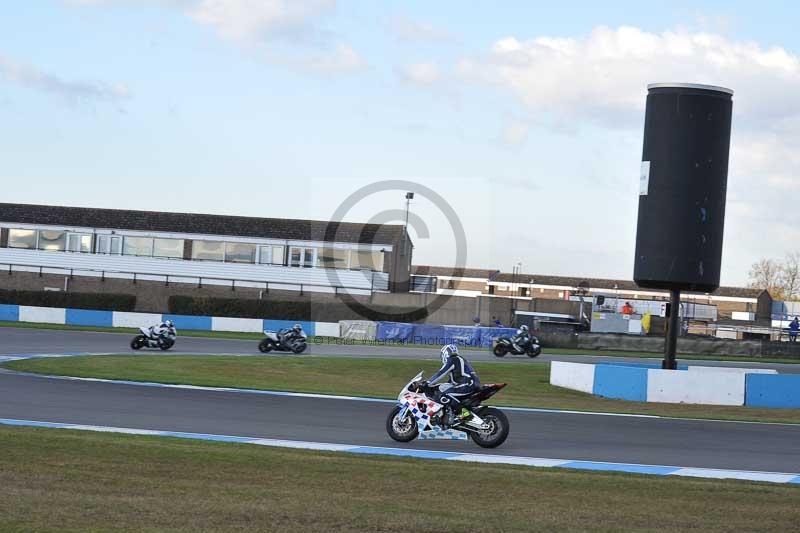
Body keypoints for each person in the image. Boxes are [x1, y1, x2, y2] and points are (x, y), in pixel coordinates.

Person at [420, 344, 481, 428]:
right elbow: (450, 382)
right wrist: (435, 386)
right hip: (471, 383)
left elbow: (440, 373)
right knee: (444, 390)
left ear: (445, 353)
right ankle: (455, 416)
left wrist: (428, 383)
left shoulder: (452, 360)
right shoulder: (460, 360)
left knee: (444, 395)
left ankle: (465, 413)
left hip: (467, 384)